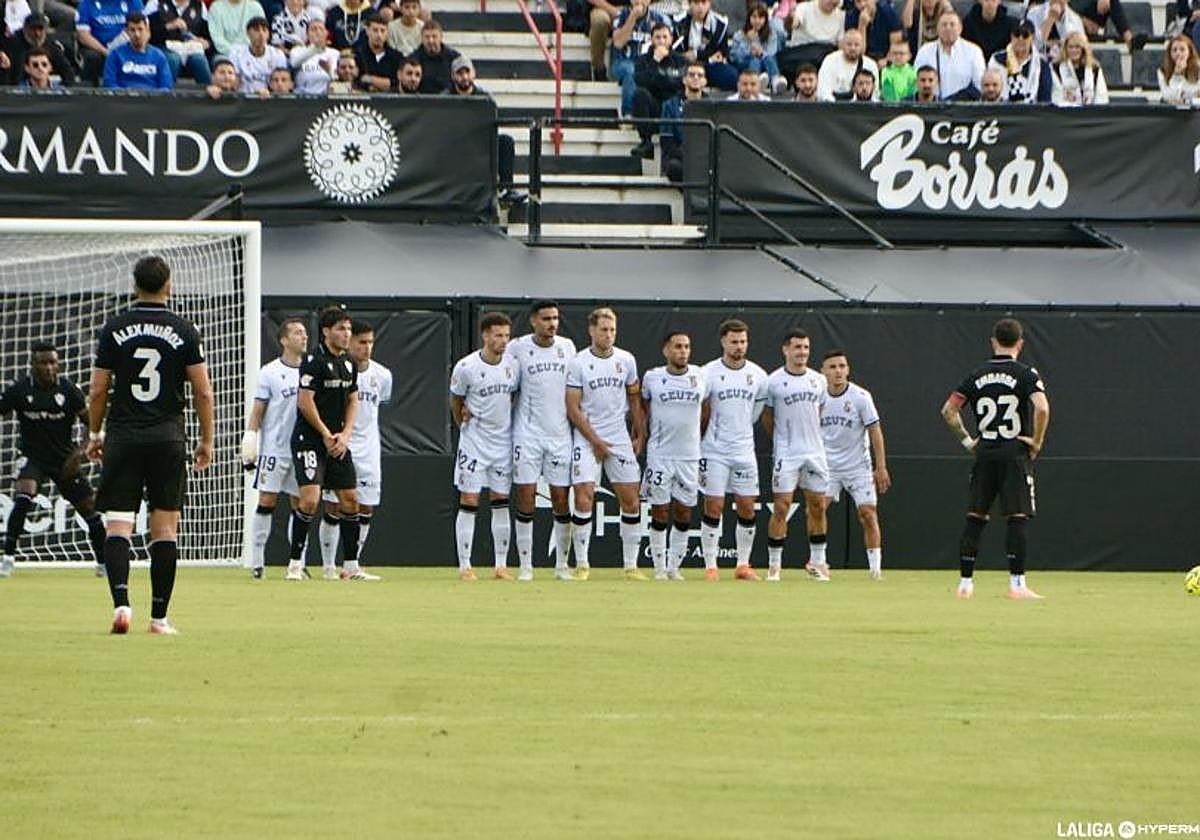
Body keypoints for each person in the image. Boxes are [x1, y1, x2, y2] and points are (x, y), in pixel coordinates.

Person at [86, 256, 213, 635]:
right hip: (167, 438)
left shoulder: (114, 328)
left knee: (118, 526)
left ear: (134, 285)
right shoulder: (184, 330)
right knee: (165, 529)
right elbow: (203, 391)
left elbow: (97, 389)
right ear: (168, 285)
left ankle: (122, 604)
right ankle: (158, 618)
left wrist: (95, 434)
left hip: (124, 437)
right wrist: (206, 439)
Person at [940, 318, 1050, 601]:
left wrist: (968, 442)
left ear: (993, 341)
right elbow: (1042, 408)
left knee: (975, 517)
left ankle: (965, 585)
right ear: (1020, 343)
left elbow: (948, 411)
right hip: (1014, 453)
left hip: (985, 453)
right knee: (1017, 516)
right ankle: (1017, 585)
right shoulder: (1026, 374)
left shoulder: (976, 375)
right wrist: (1036, 442)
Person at [0, 343, 106, 579]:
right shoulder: (19, 390)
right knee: (24, 496)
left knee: (89, 509)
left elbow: (94, 427)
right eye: (42, 362)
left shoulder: (69, 391)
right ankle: (7, 558)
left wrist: (78, 454)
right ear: (33, 365)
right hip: (32, 457)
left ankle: (103, 562)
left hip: (64, 459)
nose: (48, 367)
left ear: (58, 364)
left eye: (52, 362)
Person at [564, 307, 646, 580]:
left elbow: (634, 400)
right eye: (603, 329)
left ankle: (631, 566)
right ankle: (583, 564)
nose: (608, 334)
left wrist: (639, 433)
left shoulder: (626, 360)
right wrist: (595, 441)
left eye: (612, 330)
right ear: (591, 331)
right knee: (584, 495)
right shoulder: (577, 363)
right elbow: (573, 408)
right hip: (587, 437)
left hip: (619, 436)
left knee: (631, 500)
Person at [285, 306, 363, 582]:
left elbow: (354, 399)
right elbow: (305, 401)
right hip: (310, 440)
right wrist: (326, 433)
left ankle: (351, 566)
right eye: (341, 329)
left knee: (351, 500)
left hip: (338, 441)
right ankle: (295, 564)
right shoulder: (313, 360)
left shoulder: (350, 363)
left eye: (349, 329)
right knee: (310, 500)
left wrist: (345, 434)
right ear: (327, 331)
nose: (347, 334)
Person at [505, 301, 577, 582]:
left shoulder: (568, 347)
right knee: (526, 496)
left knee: (561, 499)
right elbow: (507, 386)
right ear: (533, 320)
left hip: (560, 435)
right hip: (527, 434)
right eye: (546, 318)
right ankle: (526, 566)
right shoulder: (517, 348)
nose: (552, 323)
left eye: (556, 318)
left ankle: (561, 565)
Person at [317, 321, 391, 580]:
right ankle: (328, 567)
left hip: (369, 448)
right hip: (340, 444)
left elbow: (379, 406)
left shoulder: (383, 375)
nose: (367, 348)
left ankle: (352, 566)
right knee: (334, 506)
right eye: (362, 342)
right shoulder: (337, 371)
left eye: (371, 342)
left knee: (366, 507)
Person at [449, 312, 520, 581]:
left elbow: (514, 396)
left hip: (502, 443)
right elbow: (455, 400)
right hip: (474, 443)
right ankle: (465, 566)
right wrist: (463, 423)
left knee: (501, 501)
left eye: (506, 335)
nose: (503, 341)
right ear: (485, 335)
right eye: (498, 335)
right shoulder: (466, 367)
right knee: (469, 500)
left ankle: (500, 566)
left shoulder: (513, 366)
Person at [699, 319, 768, 581]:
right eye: (734, 342)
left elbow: (755, 413)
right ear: (723, 342)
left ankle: (742, 565)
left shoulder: (758, 376)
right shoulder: (708, 372)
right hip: (714, 449)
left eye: (743, 341)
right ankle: (711, 566)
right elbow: (702, 410)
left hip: (743, 450)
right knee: (714, 505)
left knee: (747, 506)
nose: (739, 346)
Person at [241, 318, 308, 580]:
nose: (303, 337)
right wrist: (250, 438)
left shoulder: (312, 369)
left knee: (302, 505)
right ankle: (257, 562)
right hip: (274, 449)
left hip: (302, 448)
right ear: (284, 340)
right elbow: (259, 410)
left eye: (304, 332)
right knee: (267, 501)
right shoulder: (269, 372)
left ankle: (298, 563)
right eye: (297, 333)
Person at [761, 328, 828, 583]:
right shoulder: (773, 381)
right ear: (786, 350)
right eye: (797, 347)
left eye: (806, 348)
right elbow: (768, 418)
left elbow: (818, 411)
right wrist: (782, 440)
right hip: (786, 453)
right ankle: (774, 566)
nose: (802, 353)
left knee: (818, 507)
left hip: (814, 452)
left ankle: (817, 563)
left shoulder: (818, 380)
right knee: (781, 507)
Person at [641, 331, 707, 581]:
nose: (683, 351)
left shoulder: (700, 376)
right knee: (659, 510)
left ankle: (674, 567)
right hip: (660, 455)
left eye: (687, 347)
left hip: (689, 456)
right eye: (678, 347)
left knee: (684, 512)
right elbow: (643, 406)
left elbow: (706, 409)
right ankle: (659, 569)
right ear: (666, 351)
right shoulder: (653, 377)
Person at [818, 350, 890, 580]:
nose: (838, 371)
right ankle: (819, 563)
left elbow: (875, 431)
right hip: (827, 465)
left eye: (842, 366)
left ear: (848, 370)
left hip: (858, 466)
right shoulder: (817, 396)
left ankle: (875, 570)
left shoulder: (860, 397)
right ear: (823, 372)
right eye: (832, 367)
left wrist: (881, 467)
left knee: (868, 514)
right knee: (817, 510)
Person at [630, 22, 688, 158]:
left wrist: (659, 82)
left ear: (671, 39)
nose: (661, 41)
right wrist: (655, 61)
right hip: (654, 108)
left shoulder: (680, 60)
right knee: (639, 94)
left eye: (665, 37)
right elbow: (641, 82)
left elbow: (681, 85)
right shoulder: (643, 60)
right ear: (651, 40)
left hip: (675, 109)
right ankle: (645, 142)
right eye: (657, 37)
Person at [913, 8, 984, 100]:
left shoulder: (974, 51)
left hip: (963, 109)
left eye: (952, 24)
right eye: (944, 25)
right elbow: (916, 82)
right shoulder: (925, 51)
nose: (948, 28)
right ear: (937, 28)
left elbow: (979, 84)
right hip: (933, 108)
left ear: (960, 28)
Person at [611, 0, 664, 116]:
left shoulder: (658, 18)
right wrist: (632, 18)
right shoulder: (621, 15)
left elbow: (664, 44)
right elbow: (618, 43)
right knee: (632, 70)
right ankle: (628, 114)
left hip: (648, 62)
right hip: (622, 62)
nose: (639, 1)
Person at [671, 0, 738, 91]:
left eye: (703, 3)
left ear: (709, 4)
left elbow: (721, 51)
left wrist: (697, 54)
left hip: (709, 65)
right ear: (690, 4)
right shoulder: (678, 21)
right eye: (696, 3)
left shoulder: (719, 23)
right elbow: (674, 49)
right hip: (684, 65)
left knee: (732, 76)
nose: (700, 7)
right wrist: (685, 56)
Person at [76, 0, 147, 85]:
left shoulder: (133, 2)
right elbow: (83, 36)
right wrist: (105, 52)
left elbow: (143, 30)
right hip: (99, 50)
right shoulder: (86, 4)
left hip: (128, 47)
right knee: (91, 57)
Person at [660, 60, 706, 181]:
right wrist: (688, 156)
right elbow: (666, 142)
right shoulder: (669, 105)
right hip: (679, 158)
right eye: (691, 75)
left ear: (705, 81)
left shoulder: (713, 106)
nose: (696, 78)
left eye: (700, 75)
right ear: (684, 79)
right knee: (674, 167)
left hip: (704, 158)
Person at [987, 18, 1052, 104]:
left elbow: (1045, 97)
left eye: (1025, 35)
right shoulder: (997, 59)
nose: (1020, 39)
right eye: (1017, 34)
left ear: (1032, 38)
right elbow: (990, 90)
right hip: (1001, 110)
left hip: (1033, 112)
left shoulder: (1041, 64)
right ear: (1011, 37)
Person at [148, 0, 213, 85]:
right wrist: (168, 26)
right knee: (173, 59)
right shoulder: (156, 3)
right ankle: (166, 94)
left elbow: (208, 37)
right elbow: (147, 33)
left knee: (200, 60)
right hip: (164, 46)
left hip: (190, 48)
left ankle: (209, 92)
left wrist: (206, 43)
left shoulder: (199, 5)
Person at [102, 13, 174, 89]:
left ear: (147, 30)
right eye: (132, 30)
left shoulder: (159, 57)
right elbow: (109, 84)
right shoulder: (115, 55)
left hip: (152, 99)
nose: (137, 34)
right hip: (123, 99)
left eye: (140, 29)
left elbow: (166, 86)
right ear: (126, 32)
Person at [777, 0, 843, 82]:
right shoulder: (804, 7)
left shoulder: (841, 15)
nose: (832, 2)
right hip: (801, 50)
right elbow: (794, 23)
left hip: (825, 54)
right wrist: (791, 19)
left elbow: (841, 44)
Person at [4, 12, 76, 86]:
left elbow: (68, 72)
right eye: (33, 29)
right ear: (25, 29)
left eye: (40, 29)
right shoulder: (13, 45)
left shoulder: (51, 45)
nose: (37, 34)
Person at [729, 2, 785, 94]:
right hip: (746, 64)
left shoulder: (771, 34)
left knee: (767, 58)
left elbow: (772, 52)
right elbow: (735, 56)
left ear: (765, 19)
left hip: (767, 64)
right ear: (749, 18)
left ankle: (775, 81)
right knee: (755, 59)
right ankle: (755, 81)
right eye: (754, 17)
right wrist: (749, 43)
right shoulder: (739, 35)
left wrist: (759, 50)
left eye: (761, 17)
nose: (757, 21)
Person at [230, 16, 288, 94]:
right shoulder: (236, 54)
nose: (261, 34)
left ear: (268, 34)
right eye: (256, 30)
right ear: (248, 33)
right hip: (243, 100)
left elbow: (281, 83)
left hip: (269, 100)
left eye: (264, 30)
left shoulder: (278, 55)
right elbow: (233, 83)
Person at [817, 28, 877, 100]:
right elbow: (823, 91)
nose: (853, 48)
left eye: (856, 45)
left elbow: (875, 94)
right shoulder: (830, 60)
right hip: (834, 106)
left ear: (862, 46)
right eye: (849, 44)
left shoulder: (871, 65)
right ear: (842, 45)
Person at [1052, 30, 1109, 105]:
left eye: (1077, 47)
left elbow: (1101, 97)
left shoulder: (1094, 68)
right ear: (1065, 48)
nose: (1074, 50)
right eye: (1070, 47)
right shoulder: (1056, 68)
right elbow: (1056, 96)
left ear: (1083, 49)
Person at [1073, 0, 1146, 54]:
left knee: (1113, 1)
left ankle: (1130, 42)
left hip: (1088, 14)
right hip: (1070, 20)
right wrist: (1083, 21)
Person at [844, 0, 903, 64]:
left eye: (865, 0)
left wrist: (887, 60)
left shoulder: (888, 12)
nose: (862, 5)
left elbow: (897, 43)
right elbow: (859, 52)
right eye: (858, 2)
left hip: (886, 58)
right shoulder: (851, 16)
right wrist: (862, 26)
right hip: (863, 61)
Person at [290, 18, 339, 94]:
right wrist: (315, 48)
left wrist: (329, 71)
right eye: (313, 29)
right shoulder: (297, 51)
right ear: (307, 34)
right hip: (302, 97)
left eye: (321, 29)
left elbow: (338, 79)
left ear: (327, 33)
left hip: (326, 97)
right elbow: (294, 63)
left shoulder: (335, 53)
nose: (318, 32)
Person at [354, 13, 401, 92]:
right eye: (375, 30)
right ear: (367, 31)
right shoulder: (358, 54)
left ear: (387, 33)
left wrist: (370, 79)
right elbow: (357, 81)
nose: (379, 35)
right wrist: (384, 83)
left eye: (382, 31)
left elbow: (396, 83)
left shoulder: (396, 56)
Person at [412, 19, 459, 93]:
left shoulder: (454, 58)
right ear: (422, 38)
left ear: (441, 37)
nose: (431, 40)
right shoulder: (413, 59)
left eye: (434, 36)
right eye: (427, 37)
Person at [1158, 34, 1200, 106]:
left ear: (1189, 52)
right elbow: (1167, 96)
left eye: (1182, 49)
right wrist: (1177, 76)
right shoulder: (1162, 71)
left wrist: (1185, 99)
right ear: (1170, 53)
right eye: (1174, 50)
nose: (1178, 53)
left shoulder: (1198, 68)